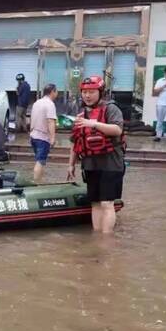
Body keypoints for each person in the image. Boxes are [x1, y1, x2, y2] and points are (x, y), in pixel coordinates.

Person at [67, 75, 125, 234]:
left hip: (111, 163)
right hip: (90, 163)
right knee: (95, 203)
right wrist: (71, 164)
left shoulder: (111, 109)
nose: (87, 95)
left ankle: (106, 241)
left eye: (91, 92)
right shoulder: (81, 113)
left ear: (101, 92)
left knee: (107, 203)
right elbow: (75, 140)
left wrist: (94, 124)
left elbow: (117, 130)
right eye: (84, 92)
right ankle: (97, 236)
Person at [30, 83, 58, 183]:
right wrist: (52, 138)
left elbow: (32, 118)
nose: (57, 93)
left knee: (40, 160)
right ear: (52, 92)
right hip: (42, 137)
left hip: (33, 136)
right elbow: (51, 121)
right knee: (40, 161)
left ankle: (40, 181)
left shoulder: (37, 102)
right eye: (56, 91)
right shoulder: (50, 104)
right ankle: (36, 183)